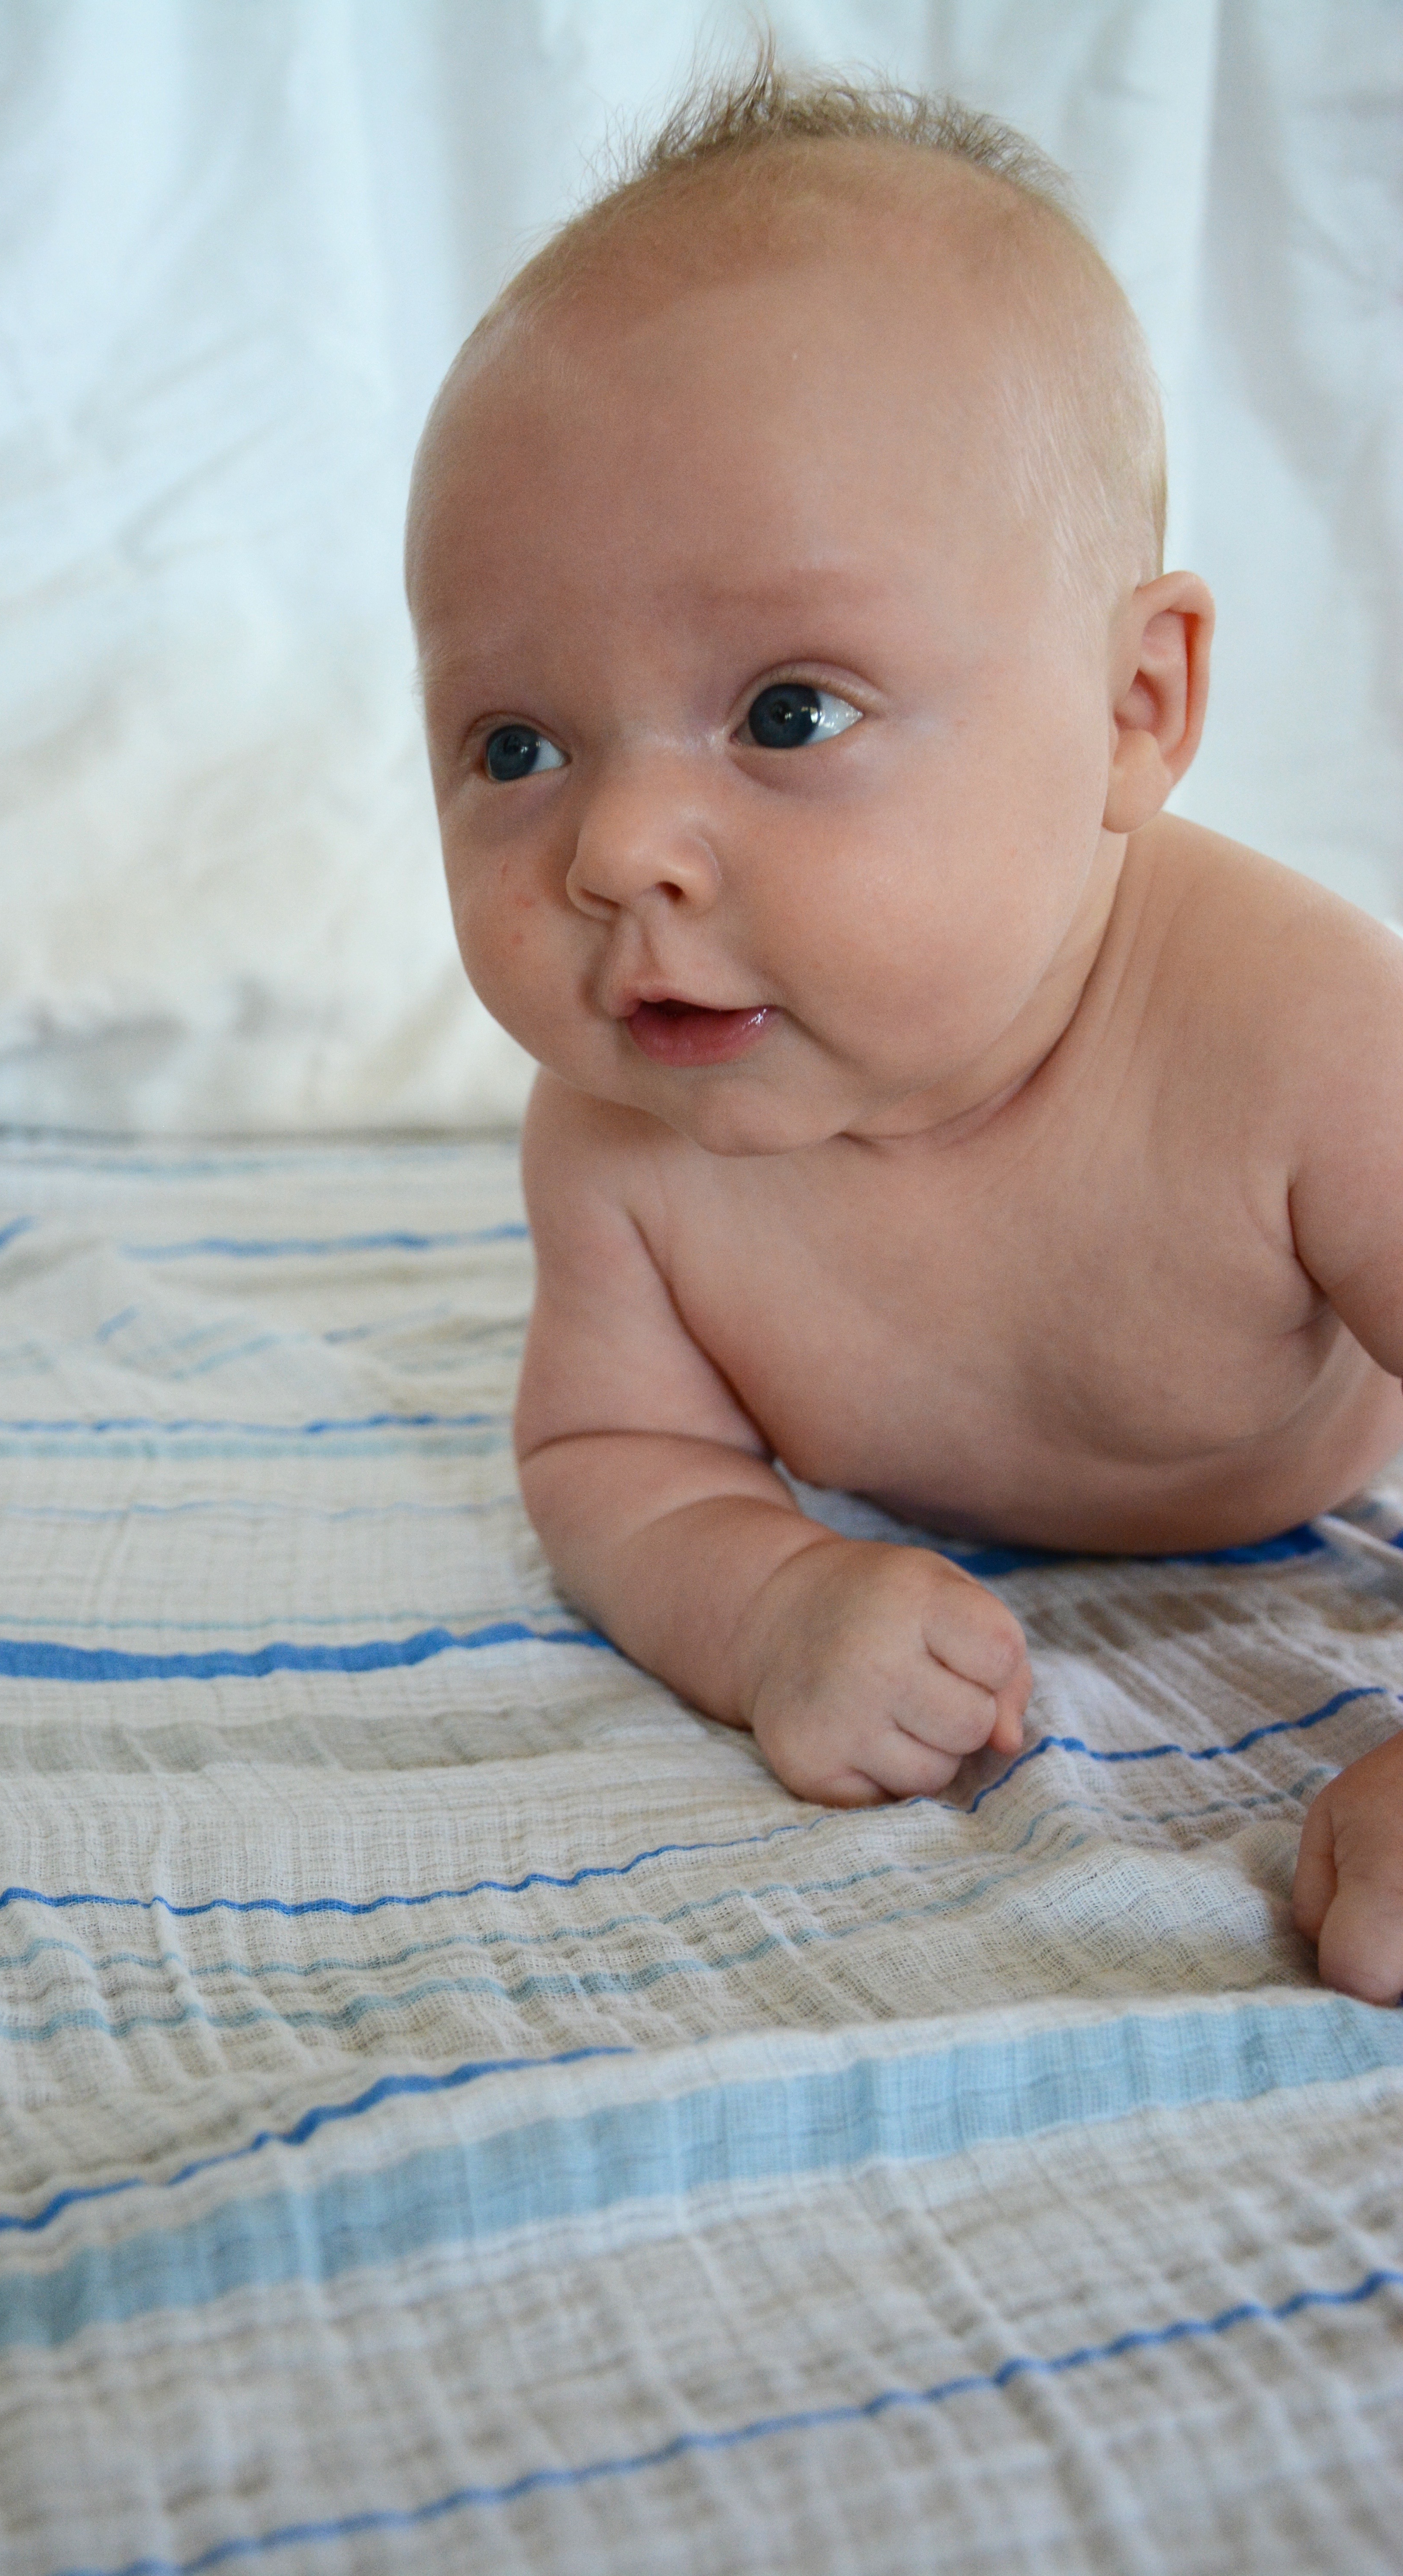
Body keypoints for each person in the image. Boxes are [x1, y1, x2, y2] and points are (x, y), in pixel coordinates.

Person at [403, 59, 1403, 2006]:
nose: (614, 852)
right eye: (516, 746)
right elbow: (612, 1456)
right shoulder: (621, 1132)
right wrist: (770, 1601)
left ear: (1134, 708)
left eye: (787, 713)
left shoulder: (1304, 1042)